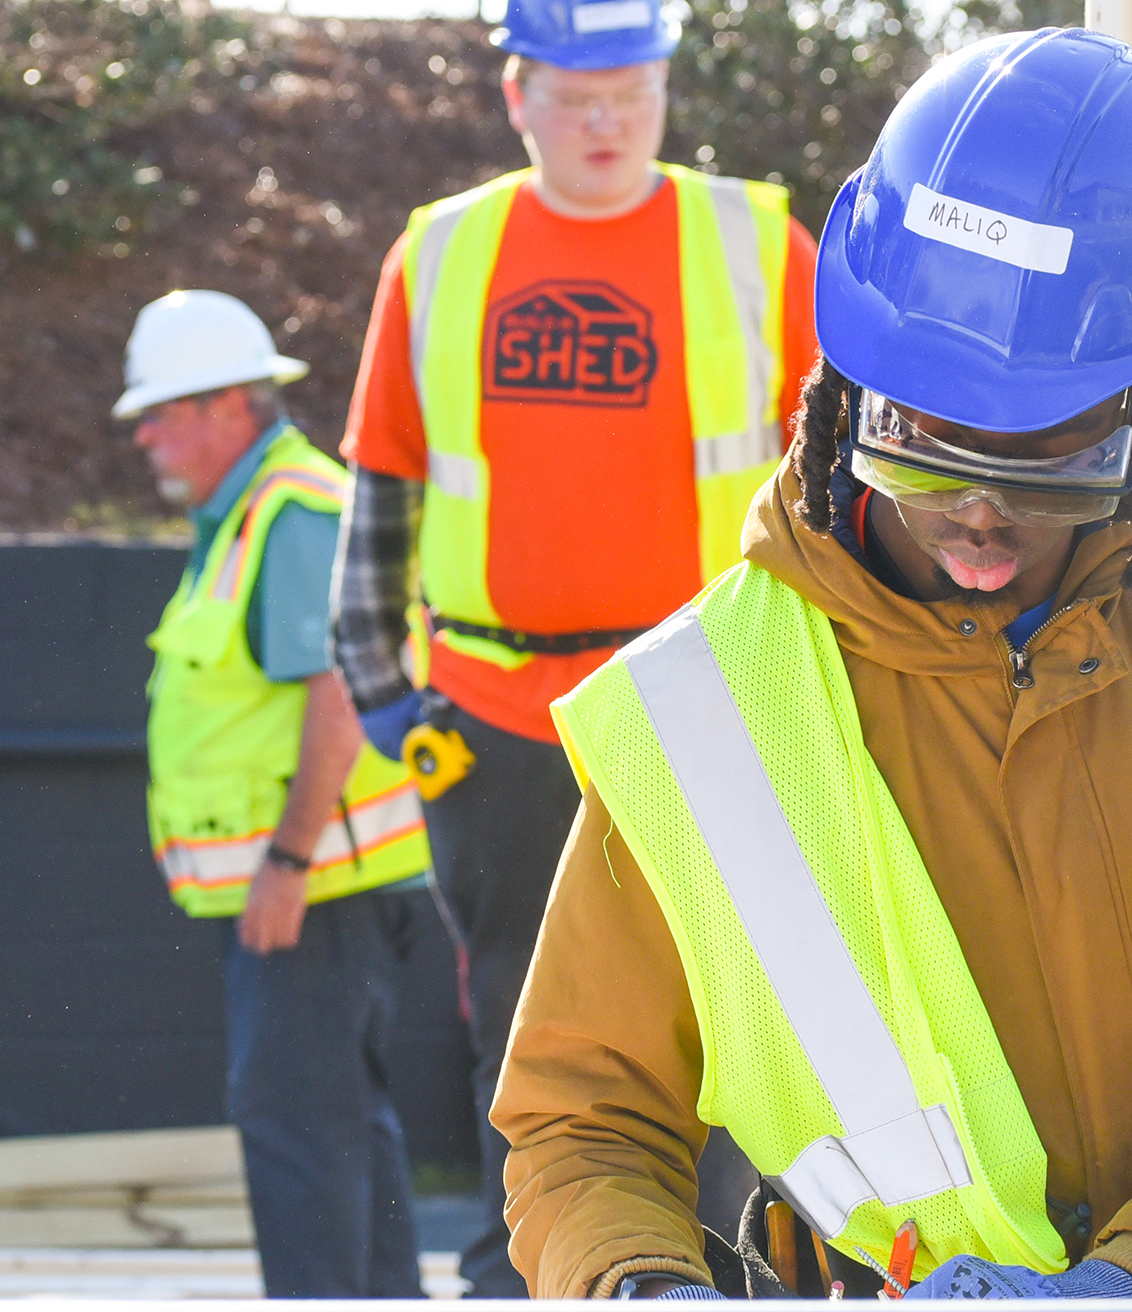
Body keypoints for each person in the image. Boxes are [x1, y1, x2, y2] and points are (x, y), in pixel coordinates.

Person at [492, 29, 1132, 1300]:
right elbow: (583, 1122)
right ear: (849, 393)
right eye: (929, 452)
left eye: (1047, 464)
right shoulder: (700, 716)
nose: (981, 521)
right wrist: (640, 1284)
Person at [329, 0, 819, 1293]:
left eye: (630, 91)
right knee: (524, 1027)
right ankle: (532, 1272)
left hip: (710, 712)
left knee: (723, 1028)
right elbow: (382, 484)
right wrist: (383, 690)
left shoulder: (758, 246)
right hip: (496, 719)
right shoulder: (438, 257)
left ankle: (707, 1271)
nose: (605, 120)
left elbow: (842, 488)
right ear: (516, 96)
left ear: (663, 87)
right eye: (575, 93)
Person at [119, 289, 432, 1299]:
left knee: (298, 1132)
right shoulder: (257, 512)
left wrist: (289, 862)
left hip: (316, 885)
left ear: (229, 406)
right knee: (338, 1124)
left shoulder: (291, 513)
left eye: (160, 412)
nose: (146, 436)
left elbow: (337, 694)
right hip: (320, 884)